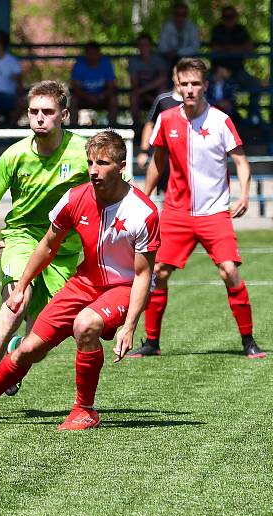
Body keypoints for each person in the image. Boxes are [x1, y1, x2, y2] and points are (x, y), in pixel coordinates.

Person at [0, 131, 160, 430]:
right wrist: (20, 288)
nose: (94, 170)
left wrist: (130, 325)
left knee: (85, 325)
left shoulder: (143, 212)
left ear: (122, 166)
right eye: (90, 162)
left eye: (103, 163)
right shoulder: (74, 198)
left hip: (124, 287)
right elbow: (46, 245)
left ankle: (85, 410)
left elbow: (142, 274)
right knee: (29, 348)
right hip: (86, 281)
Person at [129, 57, 265, 359]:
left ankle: (248, 340)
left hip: (215, 213)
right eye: (184, 84)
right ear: (177, 86)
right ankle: (152, 342)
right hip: (177, 213)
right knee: (159, 272)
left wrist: (243, 194)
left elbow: (241, 161)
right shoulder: (166, 119)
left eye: (195, 84)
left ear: (205, 86)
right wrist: (144, 196)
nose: (189, 89)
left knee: (229, 271)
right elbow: (158, 161)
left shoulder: (220, 120)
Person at [0, 80, 88, 402]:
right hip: (22, 239)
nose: (40, 118)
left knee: (47, 334)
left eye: (47, 112)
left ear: (64, 114)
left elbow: (118, 186)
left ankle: (18, 349)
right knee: (14, 305)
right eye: (34, 112)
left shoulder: (84, 152)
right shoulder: (14, 156)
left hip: (63, 248)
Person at [210, 5, 261, 123]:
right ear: (222, 18)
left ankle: (252, 118)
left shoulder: (241, 29)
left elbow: (249, 48)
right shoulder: (217, 30)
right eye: (226, 16)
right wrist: (237, 48)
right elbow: (215, 48)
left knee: (256, 85)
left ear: (236, 17)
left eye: (231, 16)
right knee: (219, 92)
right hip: (220, 72)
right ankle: (224, 122)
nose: (229, 19)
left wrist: (228, 48)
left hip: (238, 71)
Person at [69, 42, 118, 126]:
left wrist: (101, 96)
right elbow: (75, 87)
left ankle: (112, 128)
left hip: (103, 97)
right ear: (86, 54)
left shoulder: (106, 63)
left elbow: (111, 86)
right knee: (73, 100)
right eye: (89, 53)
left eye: (94, 53)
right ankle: (73, 128)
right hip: (83, 97)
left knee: (114, 100)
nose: (91, 56)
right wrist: (88, 96)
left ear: (99, 54)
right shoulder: (79, 64)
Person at [129, 34, 168, 128]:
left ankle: (162, 126)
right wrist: (144, 94)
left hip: (155, 93)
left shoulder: (158, 60)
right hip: (141, 94)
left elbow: (163, 79)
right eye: (141, 45)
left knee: (162, 92)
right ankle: (137, 128)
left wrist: (145, 91)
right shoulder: (133, 61)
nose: (143, 47)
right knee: (133, 96)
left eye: (146, 45)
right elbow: (134, 84)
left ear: (151, 46)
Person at [158, 3, 201, 68]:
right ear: (173, 15)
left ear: (187, 15)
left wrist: (178, 52)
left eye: (184, 14)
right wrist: (168, 52)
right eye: (177, 14)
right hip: (168, 60)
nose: (180, 17)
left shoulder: (192, 27)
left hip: (188, 60)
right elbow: (162, 46)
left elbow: (195, 47)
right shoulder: (167, 26)